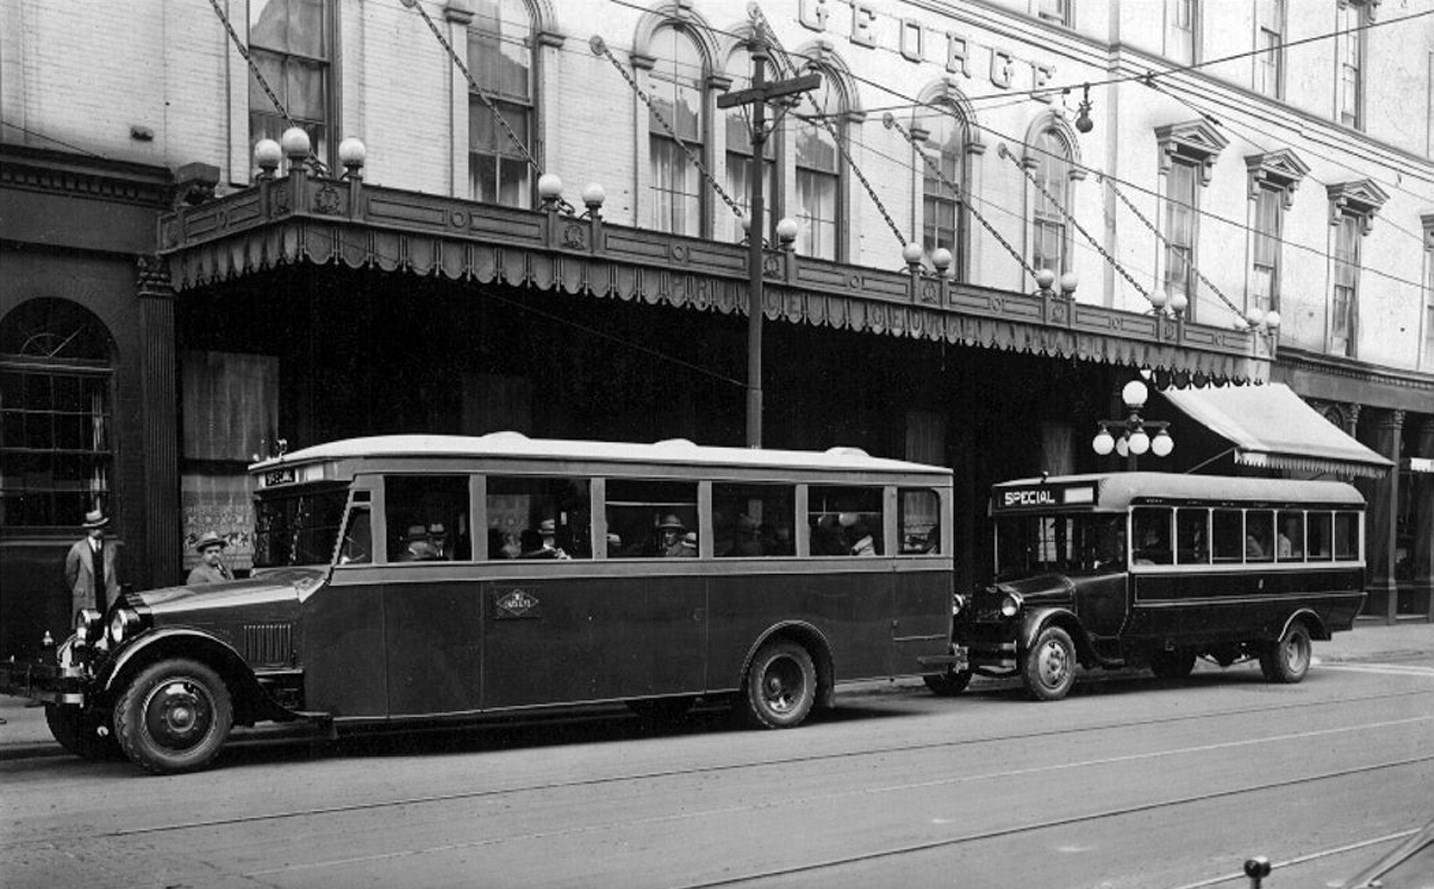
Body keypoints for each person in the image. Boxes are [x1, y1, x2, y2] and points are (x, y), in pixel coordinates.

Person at [65, 508, 120, 614]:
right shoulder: (78, 549)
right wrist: (79, 588)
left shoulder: (111, 547)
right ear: (89, 530)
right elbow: (70, 574)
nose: (99, 531)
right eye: (95, 528)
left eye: (101, 528)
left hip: (106, 595)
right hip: (86, 596)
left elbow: (116, 571)